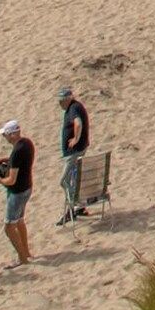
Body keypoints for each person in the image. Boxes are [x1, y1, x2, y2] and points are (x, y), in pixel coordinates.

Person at [0, 120, 35, 263]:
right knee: (19, 221)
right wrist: (7, 159)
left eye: (5, 135)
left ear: (12, 135)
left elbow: (11, 180)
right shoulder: (27, 143)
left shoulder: (17, 151)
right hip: (27, 188)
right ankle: (26, 252)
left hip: (17, 193)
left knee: (9, 227)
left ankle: (22, 258)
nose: (4, 138)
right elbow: (19, 161)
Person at [57, 87, 91, 224]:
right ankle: (80, 207)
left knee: (64, 181)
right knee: (74, 179)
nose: (60, 104)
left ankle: (72, 207)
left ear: (67, 99)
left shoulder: (73, 108)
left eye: (61, 101)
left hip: (74, 152)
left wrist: (76, 139)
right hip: (78, 150)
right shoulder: (75, 107)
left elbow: (78, 123)